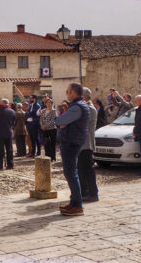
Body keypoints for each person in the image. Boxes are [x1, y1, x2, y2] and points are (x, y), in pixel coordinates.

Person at [55, 83, 89, 216]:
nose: (66, 93)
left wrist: (59, 121)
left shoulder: (77, 107)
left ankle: (77, 205)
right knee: (70, 173)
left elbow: (60, 120)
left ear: (74, 93)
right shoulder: (77, 105)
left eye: (68, 91)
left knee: (71, 173)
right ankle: (74, 202)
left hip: (71, 142)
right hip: (71, 140)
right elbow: (63, 122)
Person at [78, 88, 99, 202]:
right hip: (81, 144)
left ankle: (93, 193)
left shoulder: (90, 109)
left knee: (87, 170)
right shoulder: (83, 107)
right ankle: (84, 191)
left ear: (85, 96)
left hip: (87, 144)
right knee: (81, 170)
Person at [0, 99, 16, 170]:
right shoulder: (12, 111)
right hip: (9, 132)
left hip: (0, 133)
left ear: (3, 104)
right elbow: (14, 122)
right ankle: (10, 164)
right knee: (9, 150)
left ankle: (0, 165)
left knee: (0, 150)